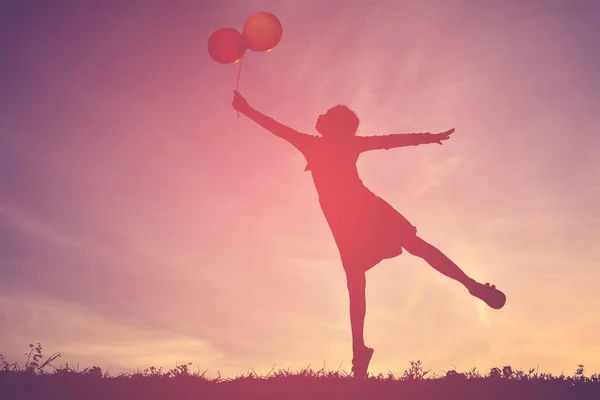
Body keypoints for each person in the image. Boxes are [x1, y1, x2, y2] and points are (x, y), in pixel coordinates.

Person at [231, 91, 506, 379]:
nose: (319, 117)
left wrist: (247, 109)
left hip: (350, 218)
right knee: (413, 249)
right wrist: (428, 136)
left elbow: (276, 127)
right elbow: (390, 141)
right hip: (362, 212)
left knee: (357, 282)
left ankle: (359, 351)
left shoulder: (315, 145)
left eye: (326, 116)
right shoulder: (345, 144)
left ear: (333, 127)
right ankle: (472, 286)